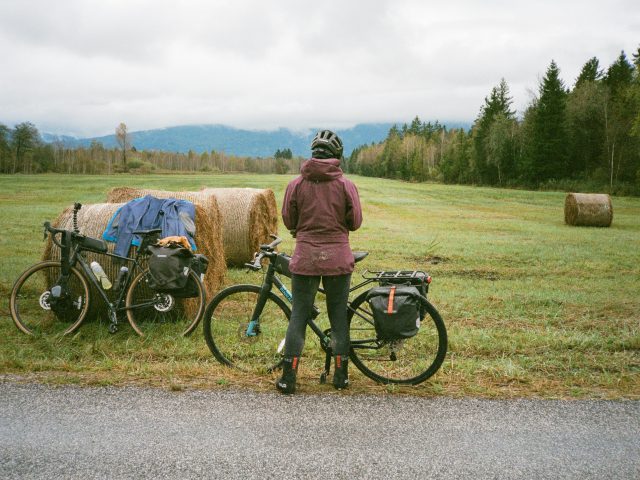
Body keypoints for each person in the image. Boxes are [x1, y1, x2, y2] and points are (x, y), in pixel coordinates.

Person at [277, 129, 362, 394]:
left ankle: (288, 378)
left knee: (298, 317)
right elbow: (355, 222)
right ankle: (341, 377)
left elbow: (289, 221)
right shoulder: (346, 185)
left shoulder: (296, 185)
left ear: (312, 154)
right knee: (338, 318)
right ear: (337, 156)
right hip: (338, 258)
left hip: (306, 258)